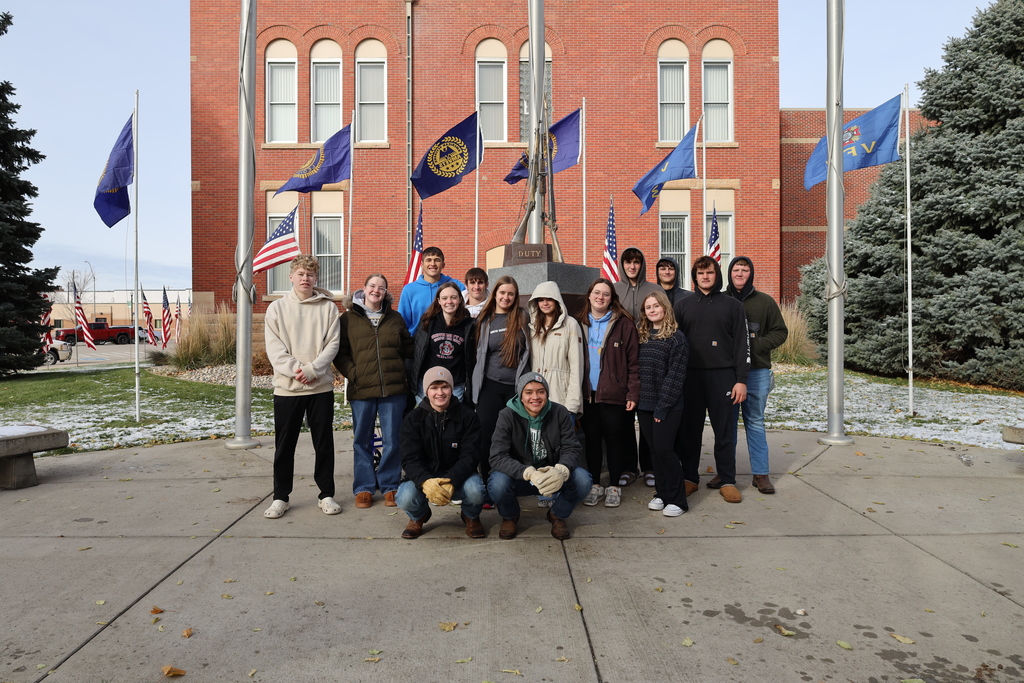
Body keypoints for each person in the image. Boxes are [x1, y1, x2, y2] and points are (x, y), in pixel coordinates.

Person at [263, 255, 342, 519]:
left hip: (320, 389)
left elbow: (332, 344)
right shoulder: (276, 309)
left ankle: (326, 494)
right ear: (291, 277)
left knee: (324, 444)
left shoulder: (329, 308)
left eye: (310, 274)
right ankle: (280, 497)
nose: (305, 278)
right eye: (300, 274)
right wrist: (296, 371)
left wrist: (312, 370)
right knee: (284, 446)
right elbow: (274, 348)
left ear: (316, 278)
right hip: (287, 389)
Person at [673, 256, 750, 504]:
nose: (705, 277)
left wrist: (741, 380)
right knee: (690, 432)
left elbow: (742, 345)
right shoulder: (683, 306)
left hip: (724, 377)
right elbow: (674, 343)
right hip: (690, 378)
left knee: (725, 432)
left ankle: (727, 479)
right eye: (701, 273)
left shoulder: (732, 306)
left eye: (710, 272)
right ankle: (689, 478)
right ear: (694, 277)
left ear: (717, 275)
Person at [335, 273, 414, 509]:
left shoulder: (395, 318)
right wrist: (354, 374)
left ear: (386, 293)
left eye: (381, 287)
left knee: (392, 439)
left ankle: (390, 485)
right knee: (362, 440)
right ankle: (364, 487)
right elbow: (340, 353)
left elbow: (408, 350)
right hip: (362, 389)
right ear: (364, 289)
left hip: (393, 389)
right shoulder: (348, 319)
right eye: (372, 286)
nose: (376, 290)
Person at [487, 372, 592, 540]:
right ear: (520, 395)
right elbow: (497, 456)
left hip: (552, 475)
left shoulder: (560, 412)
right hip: (521, 476)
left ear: (546, 394)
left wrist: (561, 470)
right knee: (497, 484)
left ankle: (558, 515)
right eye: (529, 392)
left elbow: (571, 448)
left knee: (583, 480)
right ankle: (510, 516)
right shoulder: (507, 415)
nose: (535, 397)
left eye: (540, 391)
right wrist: (528, 473)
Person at [396, 366, 487, 539]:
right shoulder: (412, 419)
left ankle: (471, 516)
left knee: (476, 491)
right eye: (434, 387)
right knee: (404, 497)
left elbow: (471, 455)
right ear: (426, 391)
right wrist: (425, 481)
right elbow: (409, 458)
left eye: (444, 387)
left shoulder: (468, 417)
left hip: (459, 476)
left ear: (452, 389)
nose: (440, 392)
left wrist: (452, 479)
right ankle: (418, 516)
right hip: (426, 476)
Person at [726, 256, 788, 495]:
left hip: (757, 372)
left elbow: (781, 332)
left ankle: (761, 474)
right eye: (736, 270)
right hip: (728, 373)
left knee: (755, 422)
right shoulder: (721, 299)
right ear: (730, 273)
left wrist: (756, 344)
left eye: (745, 270)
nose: (740, 273)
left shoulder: (764, 302)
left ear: (750, 273)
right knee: (727, 424)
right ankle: (725, 472)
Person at [576, 278, 640, 508]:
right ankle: (594, 485)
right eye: (596, 293)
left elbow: (634, 364)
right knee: (592, 441)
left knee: (614, 440)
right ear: (589, 295)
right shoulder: (579, 323)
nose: (600, 297)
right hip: (588, 395)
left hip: (614, 394)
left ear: (612, 298)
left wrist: (632, 393)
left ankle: (614, 485)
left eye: (605, 294)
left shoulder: (624, 325)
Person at [470, 275, 530, 483]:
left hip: (516, 387)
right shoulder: (485, 320)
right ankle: (487, 480)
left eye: (510, 294)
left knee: (516, 436)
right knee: (487, 433)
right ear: (494, 294)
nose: (506, 297)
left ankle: (513, 481)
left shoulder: (523, 317)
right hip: (490, 385)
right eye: (502, 293)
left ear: (515, 296)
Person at [636, 291, 689, 517]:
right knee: (654, 450)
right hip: (645, 404)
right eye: (648, 307)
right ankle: (662, 493)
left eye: (656, 306)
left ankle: (678, 499)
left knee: (666, 450)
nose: (652, 310)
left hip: (668, 404)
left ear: (665, 308)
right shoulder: (643, 336)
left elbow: (675, 377)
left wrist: (662, 406)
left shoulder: (677, 338)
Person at [613, 247, 660, 487]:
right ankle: (629, 467)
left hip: (649, 359)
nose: (632, 266)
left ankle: (649, 467)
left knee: (647, 415)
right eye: (628, 262)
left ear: (642, 265)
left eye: (637, 262)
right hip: (621, 361)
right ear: (622, 265)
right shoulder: (614, 290)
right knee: (625, 417)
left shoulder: (654, 290)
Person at [409, 281, 475, 404]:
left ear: (460, 299)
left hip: (454, 385)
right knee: (428, 421)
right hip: (428, 384)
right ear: (439, 301)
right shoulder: (427, 323)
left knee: (451, 421)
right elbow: (417, 353)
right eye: (444, 298)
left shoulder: (469, 325)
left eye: (453, 297)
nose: (449, 302)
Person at [398, 246, 465, 335]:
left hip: (450, 340)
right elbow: (402, 322)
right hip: (417, 342)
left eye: (437, 260)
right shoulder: (409, 290)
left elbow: (467, 312)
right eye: (428, 260)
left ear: (443, 265)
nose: (432, 263)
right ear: (422, 265)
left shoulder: (457, 286)